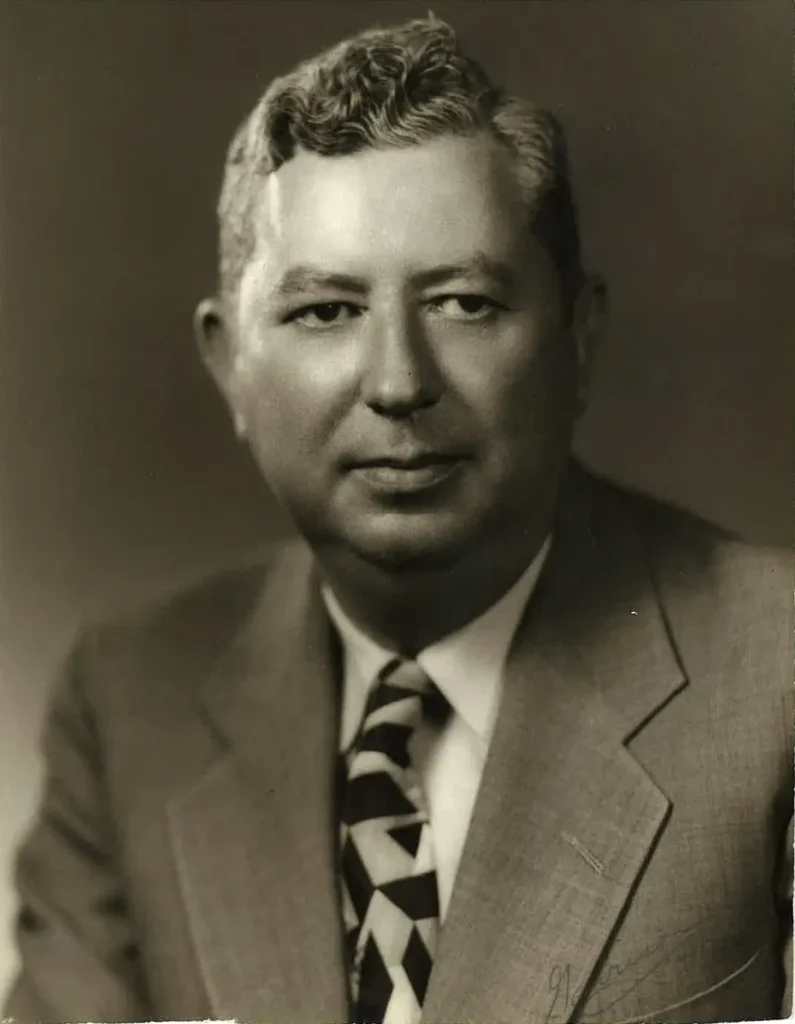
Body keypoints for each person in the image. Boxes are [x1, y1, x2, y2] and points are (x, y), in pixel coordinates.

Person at [3, 16, 792, 1024]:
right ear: (230, 367)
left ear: (578, 340)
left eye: (463, 302)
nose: (397, 382)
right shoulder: (126, 705)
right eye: (326, 311)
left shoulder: (779, 673)